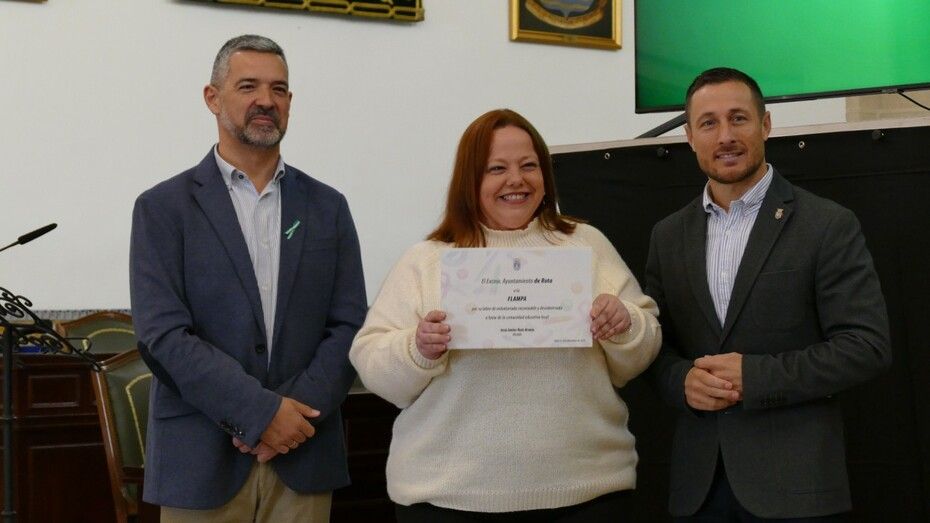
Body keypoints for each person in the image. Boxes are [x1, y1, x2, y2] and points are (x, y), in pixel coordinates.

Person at [349, 108, 661, 522]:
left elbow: (643, 347)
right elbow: (371, 364)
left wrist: (625, 325)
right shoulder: (427, 259)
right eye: (497, 168)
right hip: (448, 499)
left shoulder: (586, 244)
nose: (516, 180)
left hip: (586, 492)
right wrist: (417, 348)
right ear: (470, 180)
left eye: (529, 165)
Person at [129, 34, 366, 522]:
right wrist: (260, 414)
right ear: (212, 98)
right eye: (248, 86)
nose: (266, 100)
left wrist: (291, 418)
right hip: (202, 460)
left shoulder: (328, 207)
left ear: (290, 102)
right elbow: (163, 335)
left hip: (303, 451)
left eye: (278, 89)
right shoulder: (163, 208)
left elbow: (349, 326)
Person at [645, 67, 892, 521]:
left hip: (797, 490)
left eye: (738, 118)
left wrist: (754, 377)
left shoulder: (827, 224)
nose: (725, 136)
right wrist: (681, 381)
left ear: (766, 125)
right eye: (708, 123)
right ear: (689, 137)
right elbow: (654, 348)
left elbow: (866, 346)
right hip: (698, 490)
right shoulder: (668, 235)